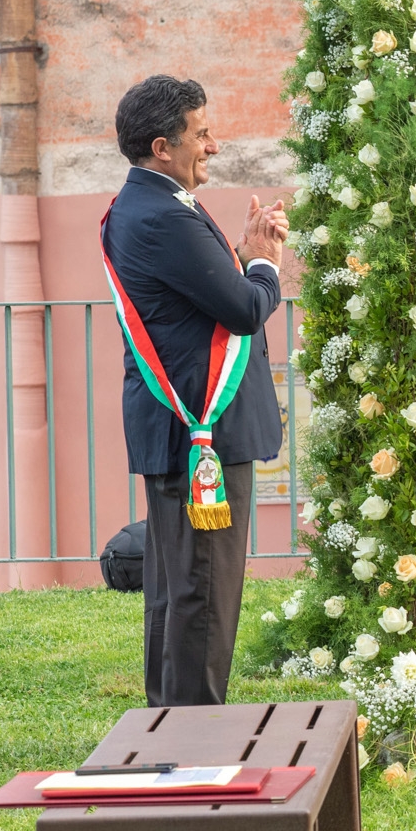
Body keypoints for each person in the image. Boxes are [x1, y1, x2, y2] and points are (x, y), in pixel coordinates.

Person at [104, 76, 288, 707]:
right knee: (203, 591)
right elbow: (242, 309)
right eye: (201, 133)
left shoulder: (149, 203)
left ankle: (168, 729)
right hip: (198, 428)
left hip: (178, 425)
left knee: (176, 588)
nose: (213, 145)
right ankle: (193, 742)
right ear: (162, 146)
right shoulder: (162, 214)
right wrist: (263, 263)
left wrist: (235, 251)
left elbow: (196, 290)